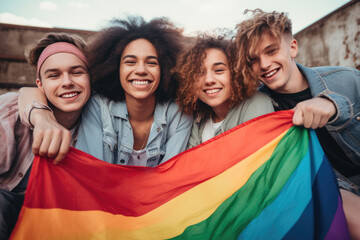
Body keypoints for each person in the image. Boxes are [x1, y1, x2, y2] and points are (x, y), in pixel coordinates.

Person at [234, 9, 360, 238]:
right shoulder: (259, 108)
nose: (264, 64)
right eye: (254, 59)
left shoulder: (346, 78)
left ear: (292, 48)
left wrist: (333, 106)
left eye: (271, 51)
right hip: (333, 194)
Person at [18, 16, 192, 167]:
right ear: (115, 68)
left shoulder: (179, 112)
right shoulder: (97, 106)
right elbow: (92, 172)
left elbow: (172, 176)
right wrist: (41, 116)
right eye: (130, 62)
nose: (141, 70)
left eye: (152, 63)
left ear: (165, 69)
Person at [0, 32, 91, 239]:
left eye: (76, 72)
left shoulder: (100, 122)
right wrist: (42, 118)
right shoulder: (8, 113)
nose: (67, 82)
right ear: (40, 85)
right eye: (54, 75)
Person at [174, 35, 274, 149]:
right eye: (199, 72)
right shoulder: (197, 118)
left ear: (235, 73)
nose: (208, 80)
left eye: (219, 70)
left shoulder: (256, 103)